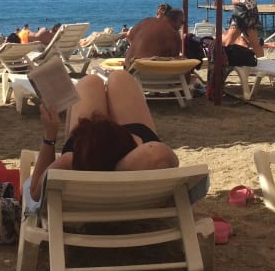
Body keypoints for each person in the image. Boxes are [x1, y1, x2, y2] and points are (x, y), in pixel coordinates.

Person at [27, 71, 180, 204]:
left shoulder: (70, 162)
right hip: (132, 161)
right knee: (119, 77)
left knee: (90, 81)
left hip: (89, 154)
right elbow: (161, 155)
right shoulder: (151, 155)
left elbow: (35, 193)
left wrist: (50, 134)